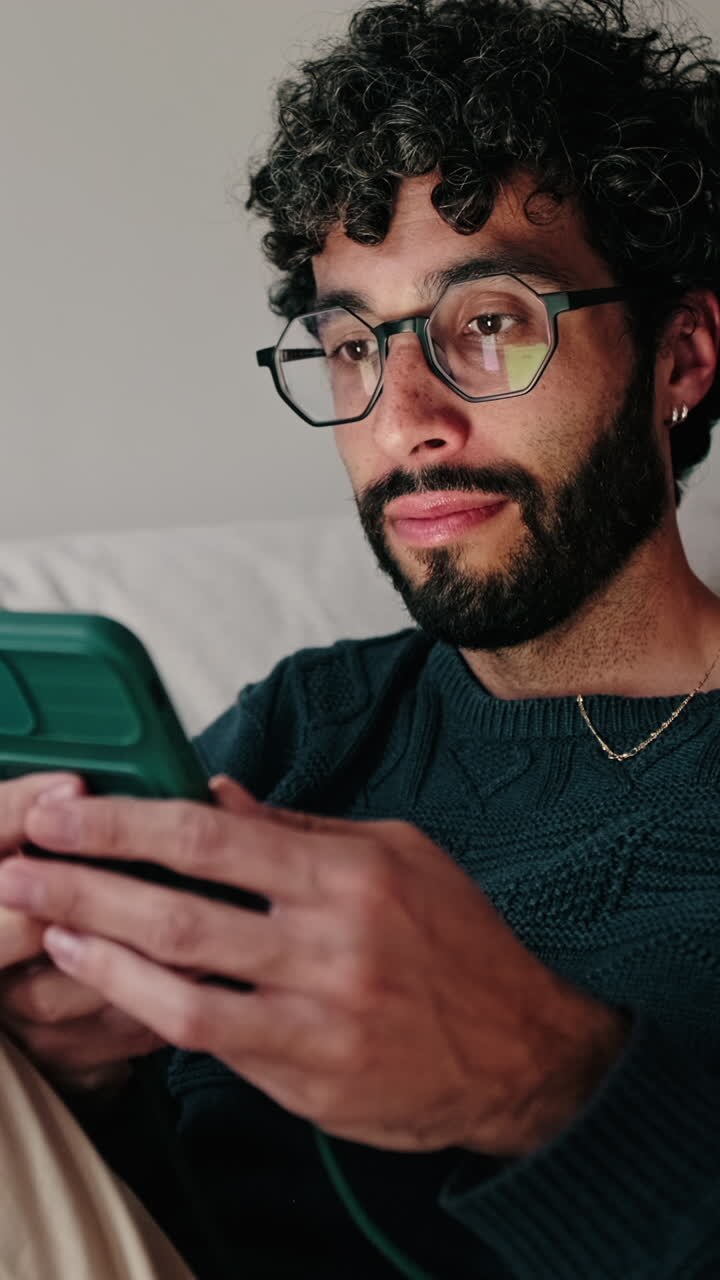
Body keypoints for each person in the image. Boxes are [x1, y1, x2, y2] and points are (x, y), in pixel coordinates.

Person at [0, 0, 719, 1275]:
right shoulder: (302, 728)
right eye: (350, 345)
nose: (405, 416)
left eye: (490, 320)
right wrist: (88, 1079)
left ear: (683, 353)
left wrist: (548, 1085)